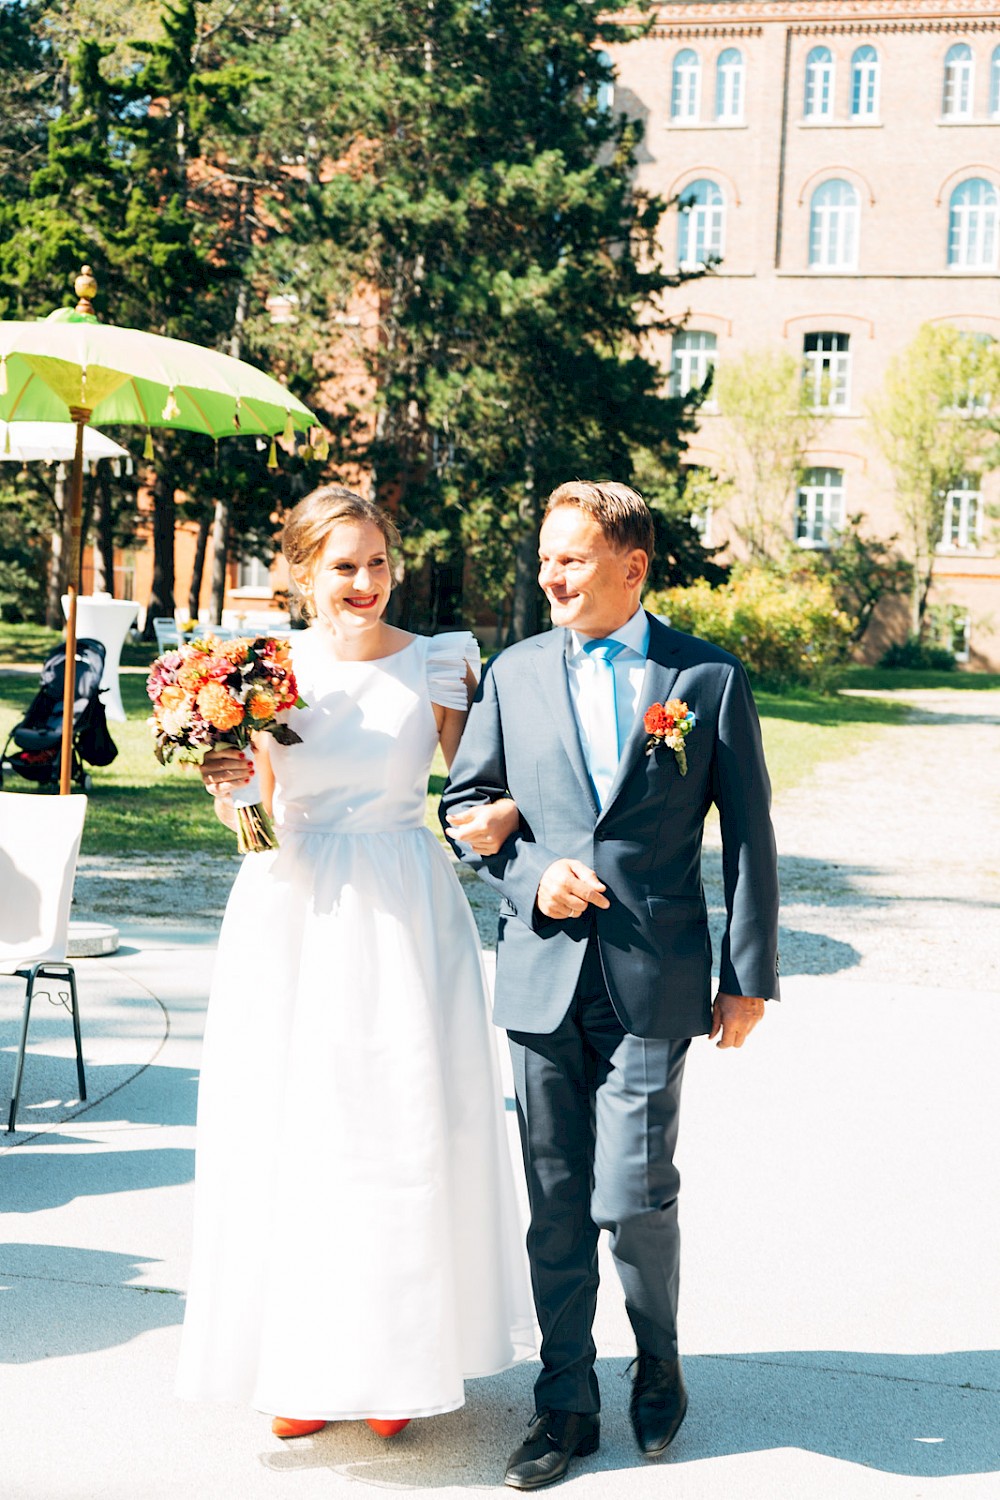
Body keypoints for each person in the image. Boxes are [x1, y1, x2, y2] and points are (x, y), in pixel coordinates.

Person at [175, 485, 535, 1440]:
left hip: (402, 903)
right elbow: (252, 824)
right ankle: (300, 1371)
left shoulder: (439, 663)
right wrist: (235, 788)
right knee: (294, 1131)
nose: (366, 582)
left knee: (398, 1129)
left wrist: (498, 827)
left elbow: (472, 790)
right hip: (289, 902)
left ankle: (395, 1369)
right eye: (344, 565)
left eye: (378, 562)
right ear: (301, 573)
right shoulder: (260, 669)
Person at [441, 481, 779, 1490]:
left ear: (631, 568)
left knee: (631, 1193)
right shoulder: (513, 671)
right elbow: (466, 802)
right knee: (554, 1200)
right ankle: (564, 1401)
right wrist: (525, 871)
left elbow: (752, 832)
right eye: (545, 555)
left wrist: (747, 973)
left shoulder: (704, 678)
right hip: (541, 969)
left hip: (657, 974)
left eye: (573, 558)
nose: (551, 573)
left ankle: (658, 1357)